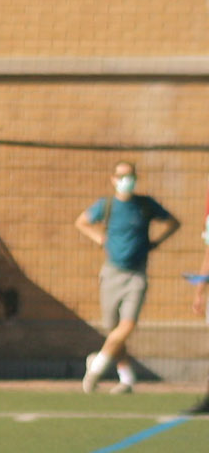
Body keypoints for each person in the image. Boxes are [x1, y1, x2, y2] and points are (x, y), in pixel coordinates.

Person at [76, 160, 178, 393]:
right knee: (113, 331)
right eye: (122, 176)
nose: (126, 180)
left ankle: (96, 368)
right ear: (113, 179)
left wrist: (157, 242)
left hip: (136, 274)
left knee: (127, 326)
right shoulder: (107, 205)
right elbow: (82, 222)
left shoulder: (145, 205)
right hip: (112, 273)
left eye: (130, 175)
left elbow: (173, 222)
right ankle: (127, 378)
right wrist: (100, 239)